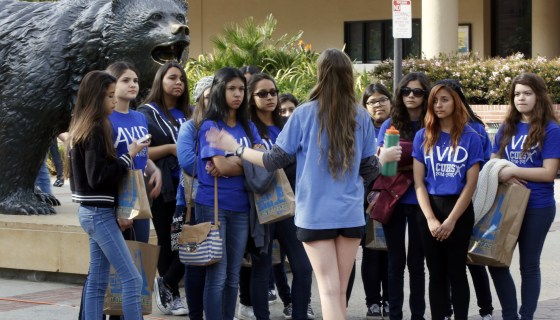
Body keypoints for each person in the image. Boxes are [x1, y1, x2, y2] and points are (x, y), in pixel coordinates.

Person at [206, 49, 401, 320]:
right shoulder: (360, 116)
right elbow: (369, 171)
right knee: (338, 290)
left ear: (321, 75)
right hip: (350, 213)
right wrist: (384, 158)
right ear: (348, 76)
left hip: (314, 216)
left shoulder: (303, 114)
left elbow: (273, 160)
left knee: (329, 292)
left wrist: (235, 148)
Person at [67, 70, 148, 319]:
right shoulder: (94, 129)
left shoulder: (85, 126)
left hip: (92, 213)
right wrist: (129, 154)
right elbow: (98, 176)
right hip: (98, 214)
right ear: (96, 98)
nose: (114, 100)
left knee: (99, 280)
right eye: (110, 96)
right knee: (132, 279)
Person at [487, 73, 560, 320]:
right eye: (517, 94)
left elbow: (549, 172)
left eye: (527, 93)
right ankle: (510, 314)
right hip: (506, 203)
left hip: (537, 206)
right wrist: (502, 174)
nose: (521, 98)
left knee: (529, 266)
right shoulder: (507, 127)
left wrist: (512, 170)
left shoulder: (551, 129)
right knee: (495, 261)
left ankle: (525, 316)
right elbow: (493, 164)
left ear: (539, 96)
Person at [242, 73, 314, 320]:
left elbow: (297, 161)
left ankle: (299, 314)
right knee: (262, 268)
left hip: (291, 204)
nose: (270, 97)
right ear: (251, 98)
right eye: (262, 94)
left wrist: (271, 160)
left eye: (273, 92)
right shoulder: (249, 128)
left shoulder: (287, 126)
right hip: (261, 205)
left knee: (303, 268)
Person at [195, 67, 263, 320]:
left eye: (241, 89)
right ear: (220, 90)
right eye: (231, 88)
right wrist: (246, 160)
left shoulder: (248, 126)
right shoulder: (210, 126)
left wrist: (234, 159)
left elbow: (262, 161)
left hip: (242, 207)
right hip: (214, 205)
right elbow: (222, 165)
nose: (237, 94)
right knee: (218, 274)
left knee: (233, 274)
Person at [412, 82, 484, 320]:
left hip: (459, 211)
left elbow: (471, 184)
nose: (438, 105)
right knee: (436, 273)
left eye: (444, 99)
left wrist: (452, 220)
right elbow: (419, 182)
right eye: (434, 100)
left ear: (456, 102)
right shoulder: (423, 136)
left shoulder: (471, 137)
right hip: (429, 209)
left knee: (457, 272)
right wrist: (431, 219)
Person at [436, 79, 494, 320]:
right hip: (444, 203)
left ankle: (486, 309)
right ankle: (450, 308)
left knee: (471, 259)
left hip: (473, 200)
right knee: (451, 262)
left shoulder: (475, 129)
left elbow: (486, 165)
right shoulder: (434, 129)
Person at [138, 61, 191, 315]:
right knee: (167, 237)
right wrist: (172, 149)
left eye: (181, 78)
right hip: (160, 183)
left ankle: (166, 282)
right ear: (161, 81)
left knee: (186, 237)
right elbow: (141, 150)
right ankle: (172, 292)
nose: (178, 82)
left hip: (189, 186)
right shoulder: (146, 113)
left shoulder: (189, 112)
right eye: (172, 78)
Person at [378, 73, 430, 320]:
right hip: (393, 199)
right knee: (395, 262)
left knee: (417, 264)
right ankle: (395, 314)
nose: (411, 95)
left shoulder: (433, 123)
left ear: (425, 95)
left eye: (417, 92)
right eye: (406, 91)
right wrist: (413, 163)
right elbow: (381, 161)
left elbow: (433, 162)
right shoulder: (389, 123)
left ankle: (417, 315)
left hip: (422, 200)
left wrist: (405, 162)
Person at [347, 83, 391, 319]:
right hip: (364, 199)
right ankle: (373, 301)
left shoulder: (396, 127)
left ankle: (389, 301)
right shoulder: (359, 127)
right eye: (372, 101)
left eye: (382, 99)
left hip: (393, 197)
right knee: (371, 251)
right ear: (364, 106)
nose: (378, 105)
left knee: (389, 252)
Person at [175, 75, 214, 320]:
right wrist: (220, 168)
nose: (213, 102)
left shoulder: (229, 125)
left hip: (221, 203)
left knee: (217, 263)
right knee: (194, 263)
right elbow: (187, 162)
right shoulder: (190, 127)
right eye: (209, 97)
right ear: (199, 100)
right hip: (189, 205)